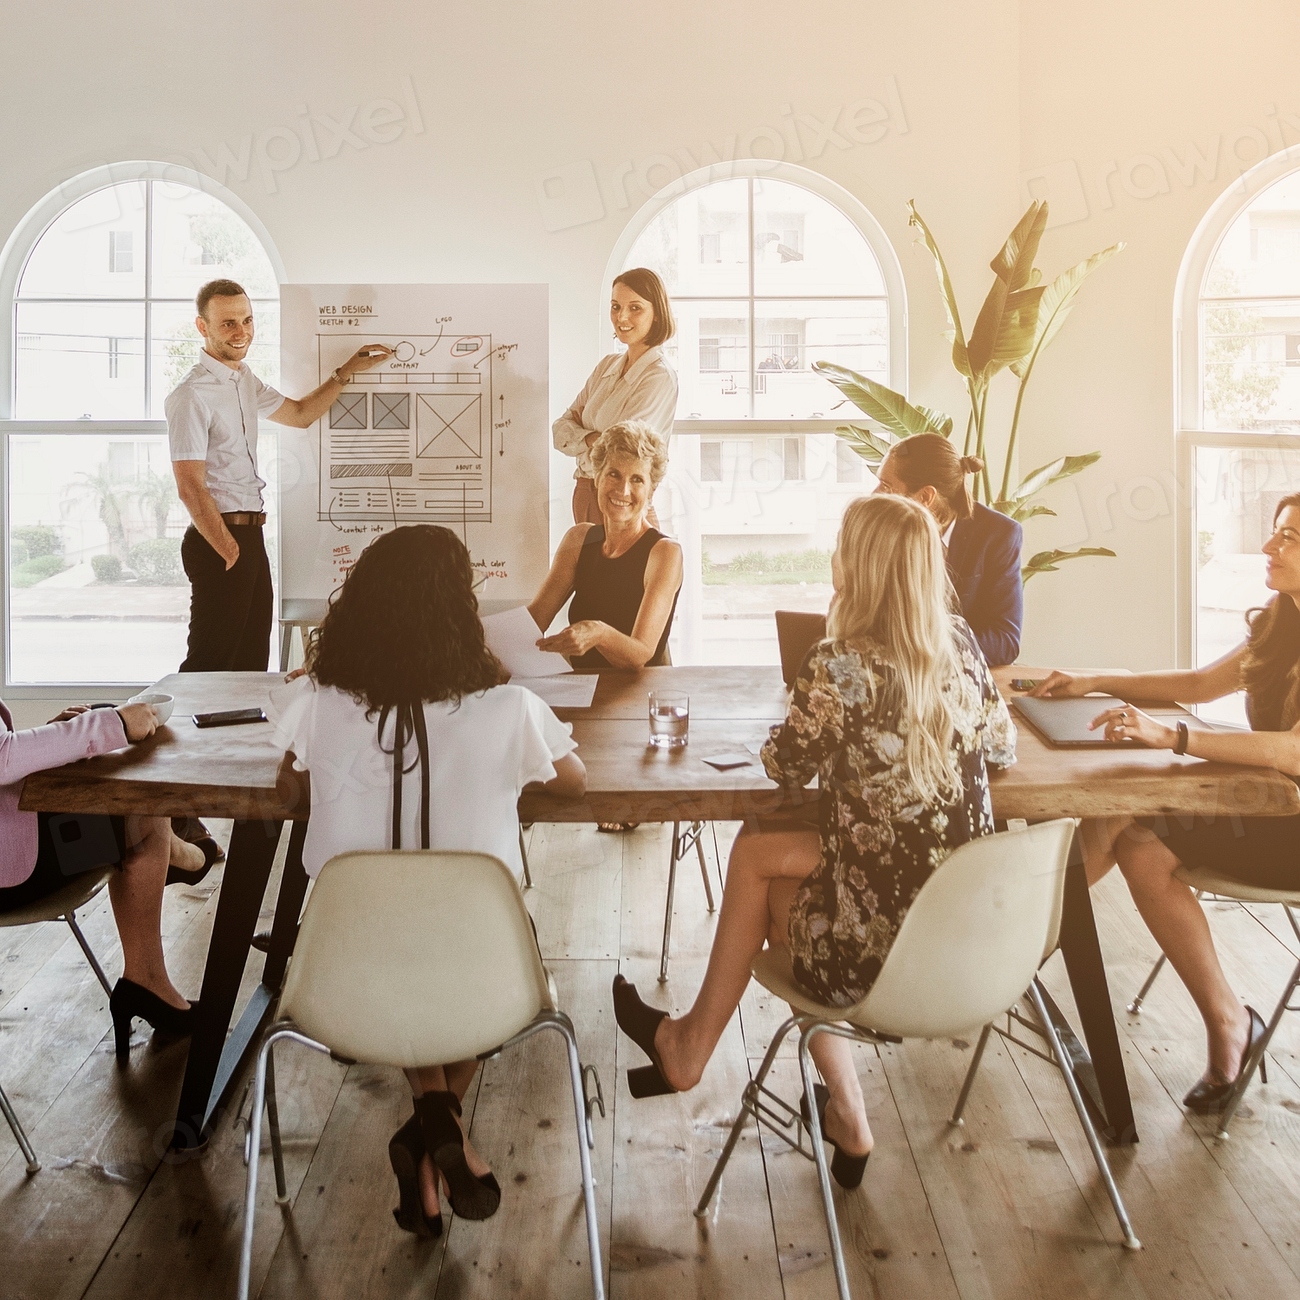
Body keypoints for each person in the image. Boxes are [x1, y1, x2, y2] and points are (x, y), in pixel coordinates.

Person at [611, 494, 1015, 1186]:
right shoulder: (963, 647)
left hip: (881, 958)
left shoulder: (841, 662)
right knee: (770, 863)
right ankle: (803, 1096)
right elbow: (1000, 749)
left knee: (763, 871)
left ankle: (702, 1054)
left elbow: (784, 766)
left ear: (860, 566)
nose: (831, 556)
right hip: (972, 942)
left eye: (839, 545)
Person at [268, 525, 585, 1237]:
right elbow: (574, 780)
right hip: (486, 978)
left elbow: (288, 793)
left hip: (344, 974)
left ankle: (426, 1139)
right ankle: (436, 1124)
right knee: (460, 947)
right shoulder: (508, 711)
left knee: (406, 940)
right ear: (459, 614)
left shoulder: (319, 703)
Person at [1027, 491, 1300, 1114]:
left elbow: (1293, 753)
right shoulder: (1284, 625)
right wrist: (1093, 679)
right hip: (1274, 809)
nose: (1269, 546)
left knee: (1131, 822)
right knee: (1132, 829)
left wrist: (1171, 736)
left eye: (1288, 538)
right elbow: (1200, 684)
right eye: (1275, 532)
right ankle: (1227, 1019)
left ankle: (1012, 945)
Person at [167, 278, 393, 675]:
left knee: (252, 662)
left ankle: (236, 740)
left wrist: (347, 371)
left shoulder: (244, 382)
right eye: (228, 324)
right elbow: (189, 486)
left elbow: (300, 414)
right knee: (210, 663)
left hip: (248, 536)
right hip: (220, 537)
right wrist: (228, 548)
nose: (242, 333)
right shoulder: (190, 394)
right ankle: (165, 734)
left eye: (247, 320)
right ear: (202, 327)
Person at [0, 699, 207, 1061]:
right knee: (141, 805)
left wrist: (54, 735)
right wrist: (112, 724)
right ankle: (184, 857)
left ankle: (178, 851)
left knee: (103, 725)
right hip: (12, 871)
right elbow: (3, 760)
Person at [529, 420, 683, 673]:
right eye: (614, 474)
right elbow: (534, 619)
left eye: (637, 480)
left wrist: (598, 632)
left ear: (651, 491)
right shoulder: (578, 539)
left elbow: (640, 654)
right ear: (597, 478)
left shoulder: (665, 552)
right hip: (582, 689)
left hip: (636, 695)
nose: (623, 490)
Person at [874, 434, 1024, 666]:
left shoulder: (998, 535)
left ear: (925, 496)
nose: (875, 494)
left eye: (886, 486)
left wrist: (922, 648)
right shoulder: (879, 530)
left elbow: (1005, 640)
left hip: (962, 678)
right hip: (889, 670)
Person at [553, 268, 677, 526]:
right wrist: (594, 437)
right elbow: (560, 430)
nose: (622, 316)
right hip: (586, 495)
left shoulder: (658, 376)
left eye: (635, 308)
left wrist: (583, 433)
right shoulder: (607, 366)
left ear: (657, 314)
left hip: (623, 501)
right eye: (615, 306)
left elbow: (624, 451)